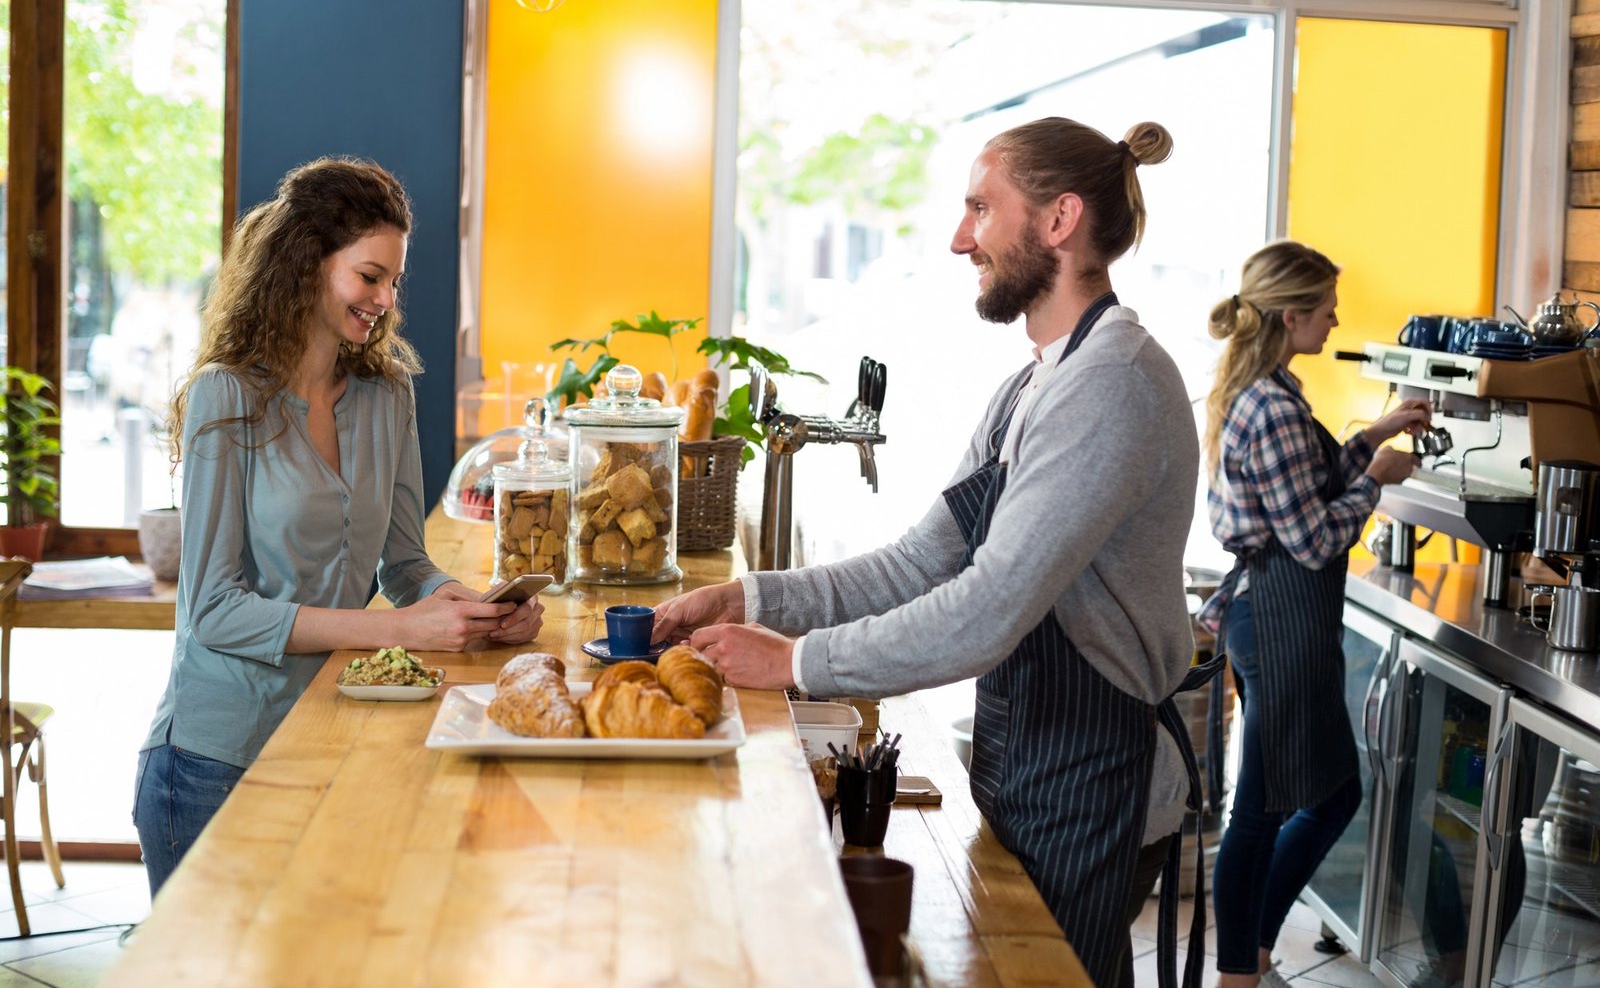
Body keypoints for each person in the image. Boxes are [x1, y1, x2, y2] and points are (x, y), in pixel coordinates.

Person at [655, 117, 1216, 988]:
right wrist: (749, 604)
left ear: (1059, 219)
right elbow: (924, 561)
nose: (961, 239)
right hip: (1031, 769)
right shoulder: (1035, 384)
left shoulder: (1113, 386)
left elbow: (988, 608)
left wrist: (798, 662)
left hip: (1093, 783)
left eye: (981, 208)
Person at [133, 158, 544, 897]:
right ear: (307, 264)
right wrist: (399, 631)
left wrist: (469, 607)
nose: (385, 300)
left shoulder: (387, 396)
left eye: (393, 282)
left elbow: (403, 562)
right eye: (368, 276)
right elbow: (213, 610)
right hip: (211, 764)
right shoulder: (224, 400)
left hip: (325, 735)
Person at [1198, 241, 1429, 987]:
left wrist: (1376, 433)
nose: (1336, 320)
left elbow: (1306, 480)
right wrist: (1380, 482)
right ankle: (1240, 966)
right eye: (1327, 308)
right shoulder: (1271, 406)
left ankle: (1253, 949)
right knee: (1266, 809)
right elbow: (1314, 536)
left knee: (1327, 793)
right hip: (1277, 617)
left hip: (1274, 616)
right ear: (1293, 313)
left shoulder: (1268, 388)